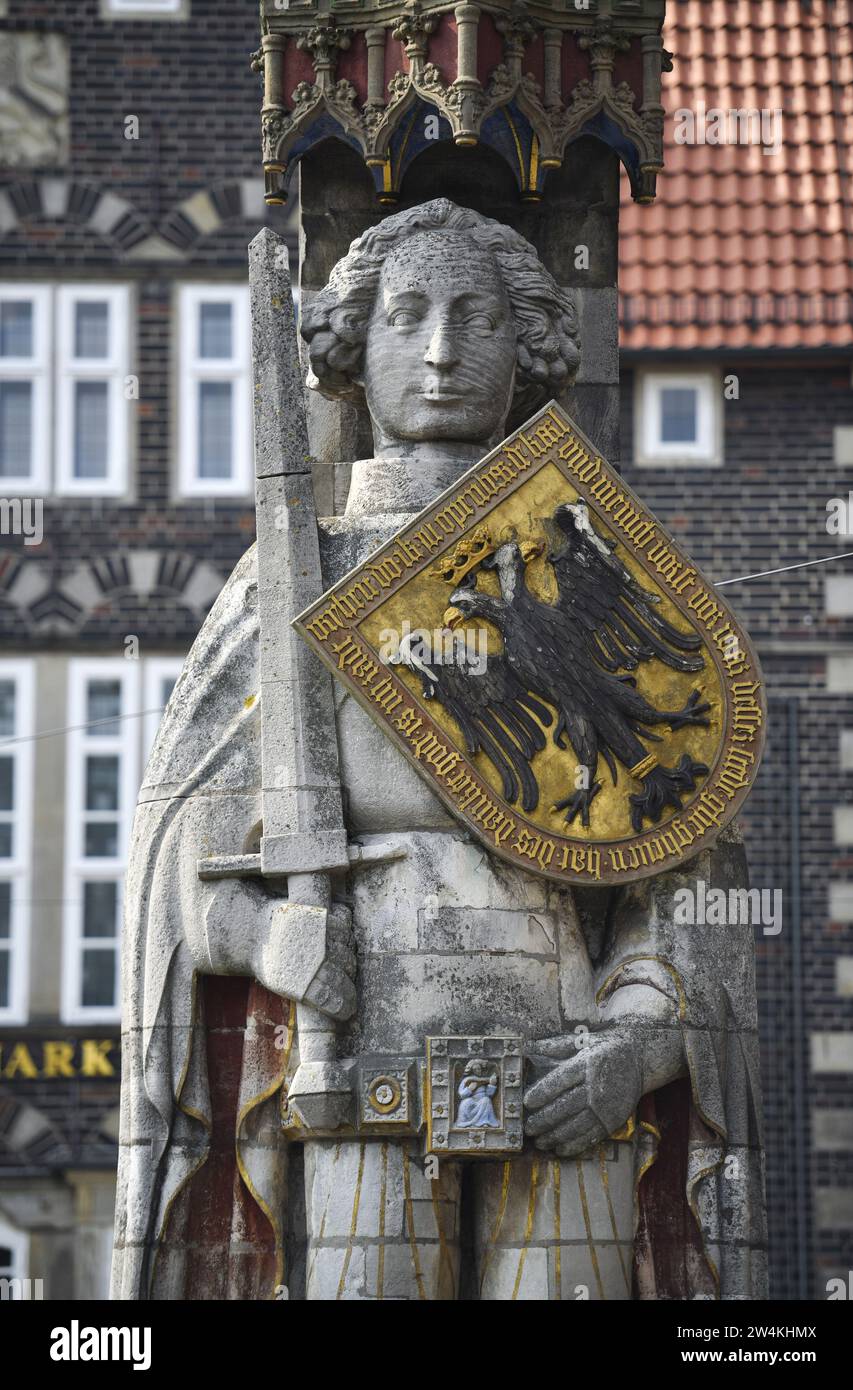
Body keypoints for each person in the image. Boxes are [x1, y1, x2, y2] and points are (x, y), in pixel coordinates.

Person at [113, 200, 766, 1302]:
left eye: (478, 317)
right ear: (353, 346)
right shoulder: (295, 579)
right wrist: (267, 935)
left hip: (568, 1067)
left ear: (528, 347)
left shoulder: (591, 569)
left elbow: (688, 868)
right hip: (357, 1062)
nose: (441, 350)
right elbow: (179, 858)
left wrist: (635, 1047)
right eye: (407, 315)